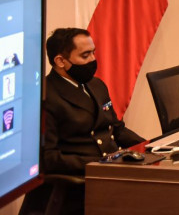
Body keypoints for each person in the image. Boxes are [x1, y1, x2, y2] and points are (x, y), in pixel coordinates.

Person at [20, 28, 144, 215]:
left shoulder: (96, 85)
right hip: (75, 188)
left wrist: (150, 148)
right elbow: (49, 159)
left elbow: (117, 129)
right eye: (85, 55)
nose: (93, 60)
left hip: (109, 175)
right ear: (60, 61)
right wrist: (99, 163)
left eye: (93, 52)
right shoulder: (45, 97)